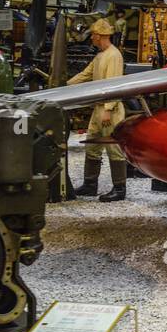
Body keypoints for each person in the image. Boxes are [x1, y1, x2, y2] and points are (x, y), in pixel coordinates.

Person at [67, 18, 127, 202]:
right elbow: (86, 74)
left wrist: (108, 108)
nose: (91, 38)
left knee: (114, 148)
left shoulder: (113, 55)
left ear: (100, 36)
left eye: (93, 34)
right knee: (92, 145)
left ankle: (119, 188)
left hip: (110, 109)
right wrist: (64, 85)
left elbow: (114, 84)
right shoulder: (100, 55)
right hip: (98, 107)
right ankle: (90, 185)